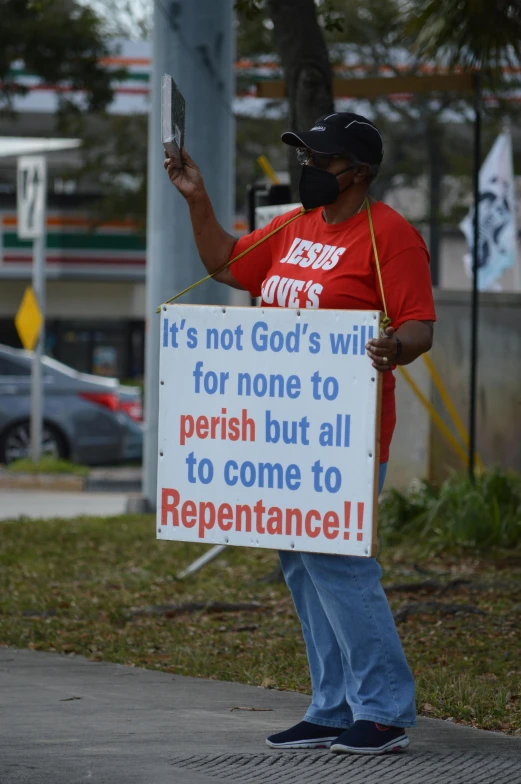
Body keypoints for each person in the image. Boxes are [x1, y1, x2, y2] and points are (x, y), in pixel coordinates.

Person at [164, 112, 436, 756]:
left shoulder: (390, 236)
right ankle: (333, 705)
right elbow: (227, 263)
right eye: (306, 156)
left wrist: (393, 347)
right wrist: (197, 199)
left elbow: (421, 324)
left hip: (346, 433)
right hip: (283, 433)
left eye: (321, 159)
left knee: (340, 564)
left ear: (358, 172)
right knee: (300, 564)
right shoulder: (294, 225)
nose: (309, 168)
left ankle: (385, 709)